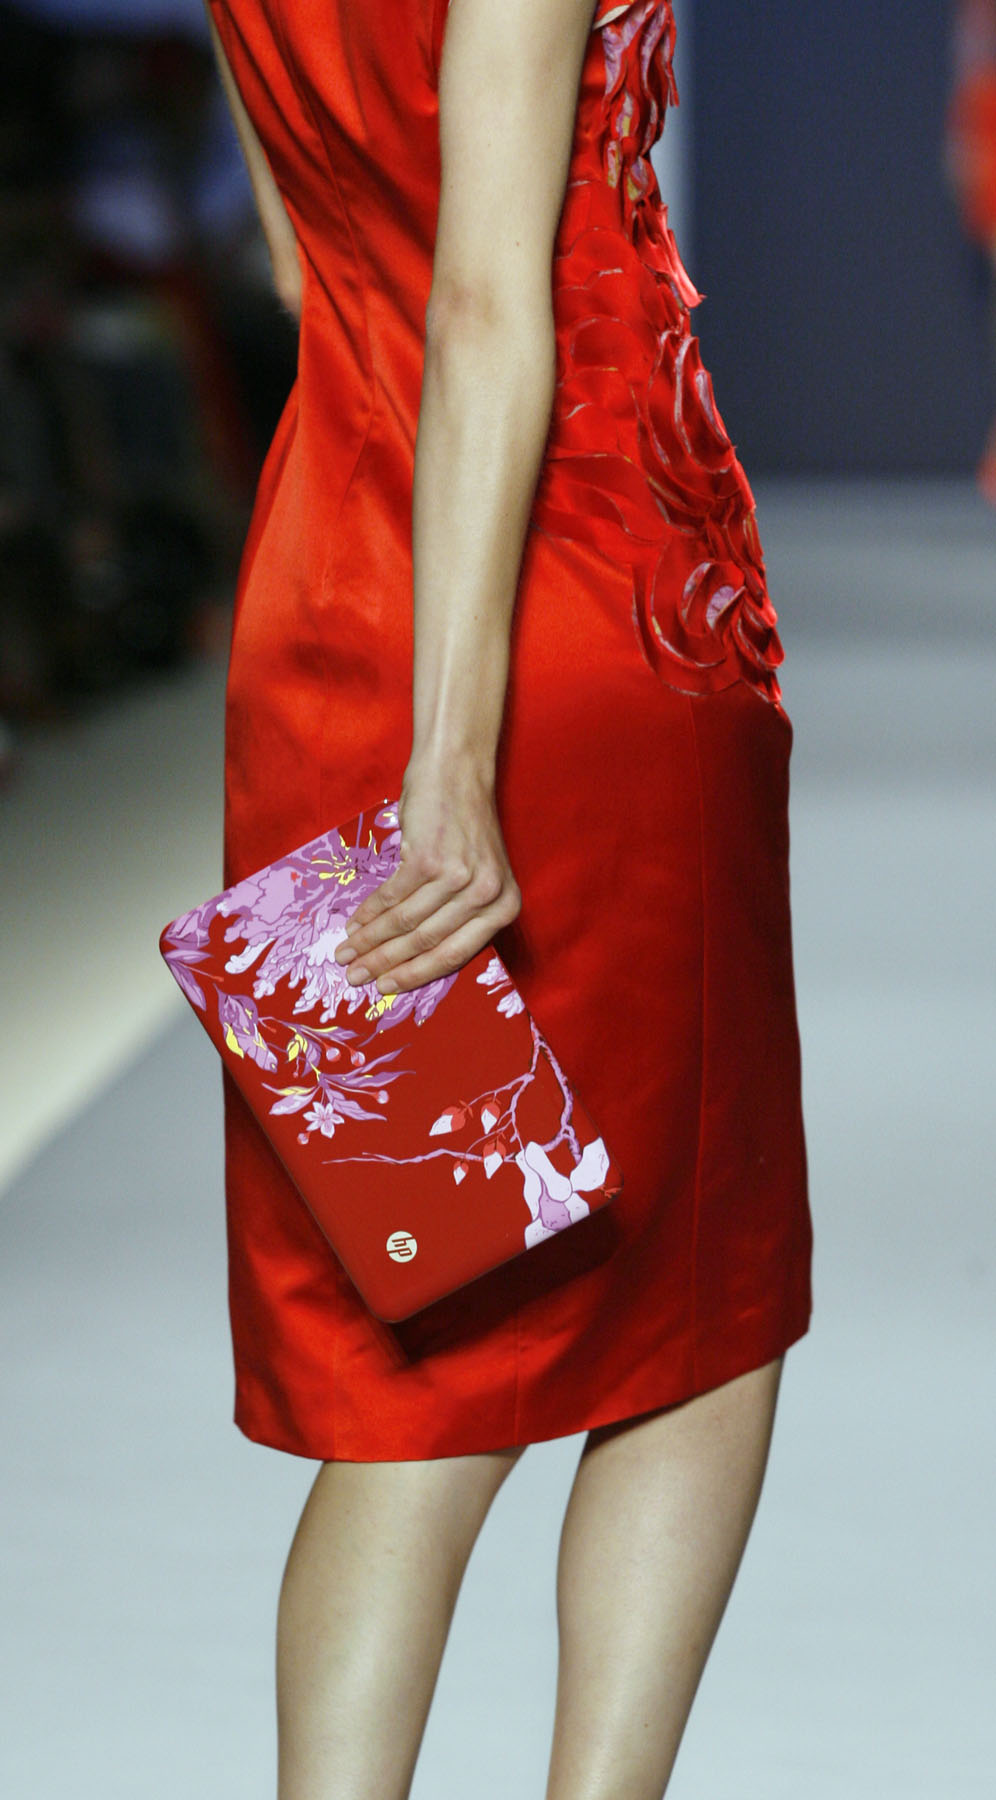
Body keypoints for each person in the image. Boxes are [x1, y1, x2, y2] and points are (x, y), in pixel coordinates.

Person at [203, 2, 814, 1794]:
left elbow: (306, 268)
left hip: (333, 584)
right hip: (574, 611)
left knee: (426, 1346)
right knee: (701, 1309)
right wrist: (455, 756)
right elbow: (488, 300)